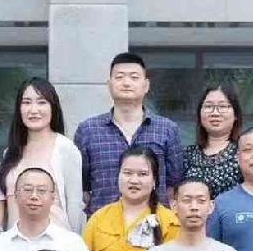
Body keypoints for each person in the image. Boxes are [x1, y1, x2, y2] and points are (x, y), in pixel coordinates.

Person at [74, 52, 184, 212]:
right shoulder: (87, 130)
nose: (126, 83)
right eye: (119, 77)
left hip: (154, 223)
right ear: (109, 85)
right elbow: (82, 188)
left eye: (134, 77)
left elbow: (174, 185)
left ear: (146, 85)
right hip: (103, 224)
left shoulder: (167, 129)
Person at [83, 146, 180, 251]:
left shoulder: (169, 222)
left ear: (154, 181)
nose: (134, 180)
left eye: (142, 174)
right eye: (127, 173)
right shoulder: (98, 219)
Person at [0, 78, 86, 228]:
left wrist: (72, 240)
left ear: (53, 108)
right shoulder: (10, 152)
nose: (33, 110)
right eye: (26, 102)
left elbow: (74, 205)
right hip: (16, 239)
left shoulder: (65, 149)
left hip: (55, 238)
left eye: (41, 102)